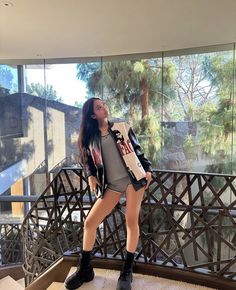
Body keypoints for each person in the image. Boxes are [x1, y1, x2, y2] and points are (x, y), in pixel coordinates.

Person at [65, 97, 152, 290]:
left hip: (133, 179)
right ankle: (85, 269)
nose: (104, 107)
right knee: (90, 223)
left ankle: (127, 272)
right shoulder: (90, 137)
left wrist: (148, 170)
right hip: (110, 185)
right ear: (92, 115)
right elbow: (86, 160)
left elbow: (138, 150)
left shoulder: (122, 127)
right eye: (98, 107)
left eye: (103, 104)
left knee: (131, 221)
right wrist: (90, 175)